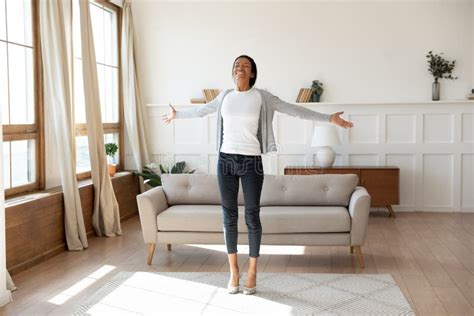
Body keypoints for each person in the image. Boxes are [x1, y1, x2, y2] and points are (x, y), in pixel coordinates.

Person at [162, 55, 353, 295]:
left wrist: (329, 119)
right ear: (233, 72)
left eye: (245, 66)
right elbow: (201, 111)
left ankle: (252, 272)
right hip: (226, 161)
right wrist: (176, 114)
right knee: (228, 216)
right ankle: (234, 271)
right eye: (236, 65)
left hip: (252, 161)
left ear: (252, 73)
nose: (239, 68)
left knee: (252, 215)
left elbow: (294, 110)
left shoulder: (262, 97)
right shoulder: (224, 97)